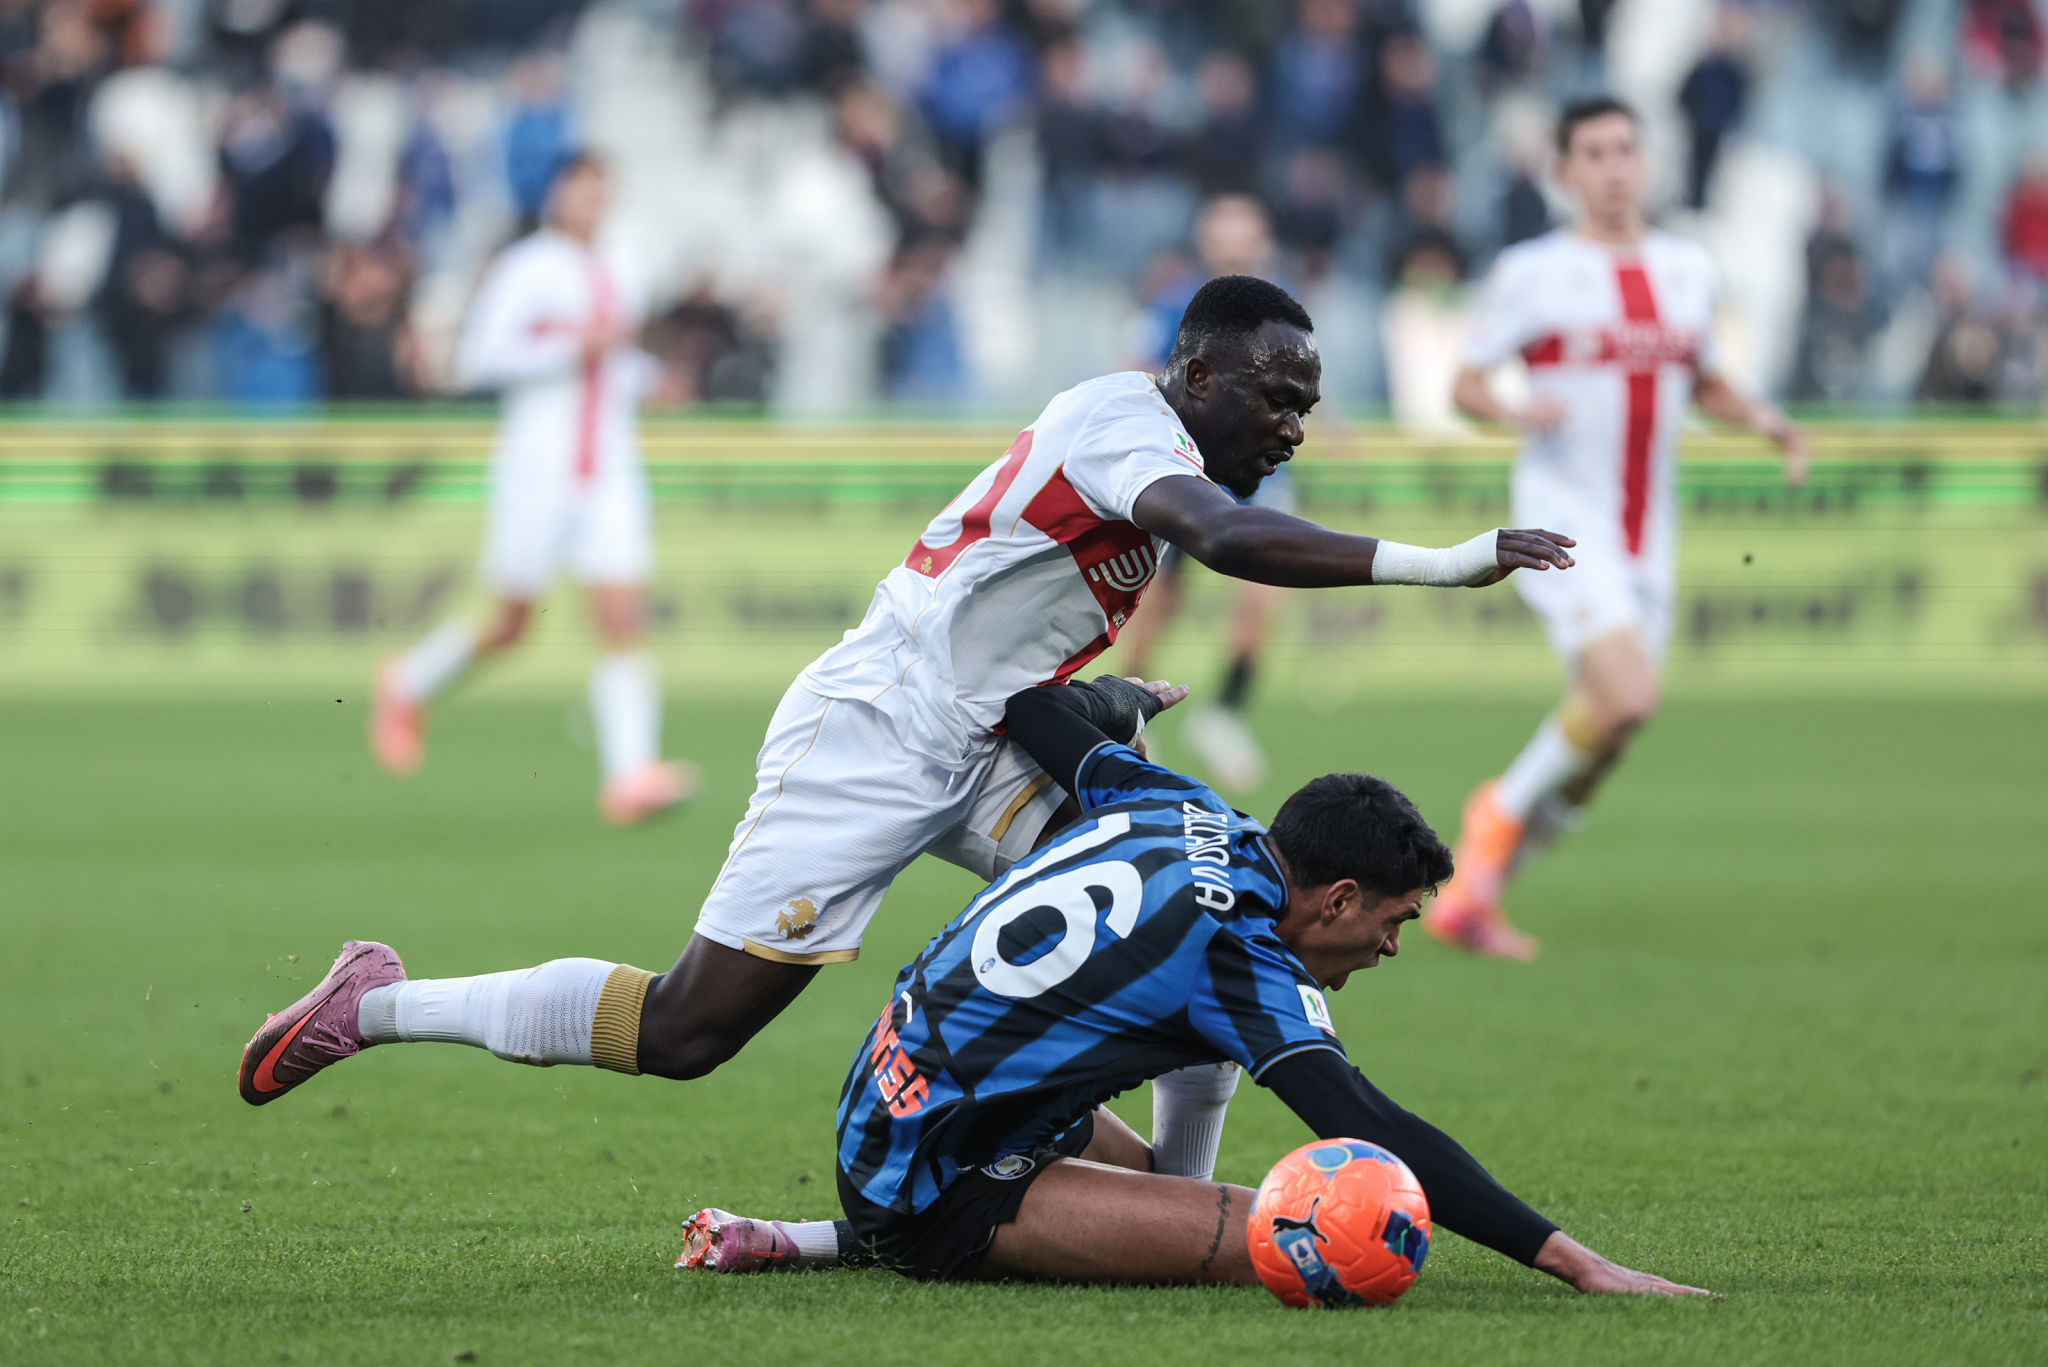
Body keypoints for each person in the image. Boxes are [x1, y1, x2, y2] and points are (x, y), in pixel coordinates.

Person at [241, 275, 1575, 1191]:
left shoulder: (1152, 440)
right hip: (875, 731)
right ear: (1197, 371)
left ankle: (1179, 1197)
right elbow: (1225, 539)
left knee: (1195, 900)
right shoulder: (1126, 421)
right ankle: (381, 1000)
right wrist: (1447, 561)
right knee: (691, 1027)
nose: (1288, 429)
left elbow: (1012, 629)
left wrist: (1103, 703)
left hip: (985, 737)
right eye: (1274, 399)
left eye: (1306, 408)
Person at [675, 675, 1706, 1297]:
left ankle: (797, 1237)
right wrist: (1575, 1260)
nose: (1392, 948)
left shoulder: (1181, 802)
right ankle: (870, 1239)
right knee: (1287, 1237)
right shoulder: (1241, 956)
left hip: (893, 1093)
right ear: (1338, 897)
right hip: (934, 1169)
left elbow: (1036, 703)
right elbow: (1370, 1121)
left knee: (1170, 1163)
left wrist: (1117, 701)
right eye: (1392, 921)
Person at [1434, 97, 1807, 960]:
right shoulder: (1536, 271)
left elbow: (1704, 381)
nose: (1613, 167)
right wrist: (1520, 409)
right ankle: (1491, 821)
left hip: (1650, 535)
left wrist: (1768, 421)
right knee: (1628, 694)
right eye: (1594, 153)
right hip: (1563, 521)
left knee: (1612, 729)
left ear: (1646, 163)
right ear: (1565, 173)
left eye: (1626, 150)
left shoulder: (1686, 268)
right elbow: (1464, 385)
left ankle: (1480, 894)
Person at [366, 153, 695, 826]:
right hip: (538, 467)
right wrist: (572, 349)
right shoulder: (528, 267)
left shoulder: (625, 267)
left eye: (601, 190)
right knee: (511, 622)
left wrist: (649, 377)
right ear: (556, 194)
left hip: (608, 465)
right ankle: (407, 682)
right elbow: (478, 359)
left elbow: (612, 361)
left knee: (622, 614)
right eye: (580, 189)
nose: (590, 203)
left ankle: (630, 775)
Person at [1119, 195, 1295, 793]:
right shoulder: (1180, 302)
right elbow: (1139, 369)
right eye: (1226, 230)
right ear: (1208, 237)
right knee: (1157, 595)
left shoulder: (1281, 306)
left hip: (1261, 471)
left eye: (1246, 230)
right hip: (1189, 465)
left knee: (1267, 591)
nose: (1236, 241)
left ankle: (1223, 716)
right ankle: (1135, 707)